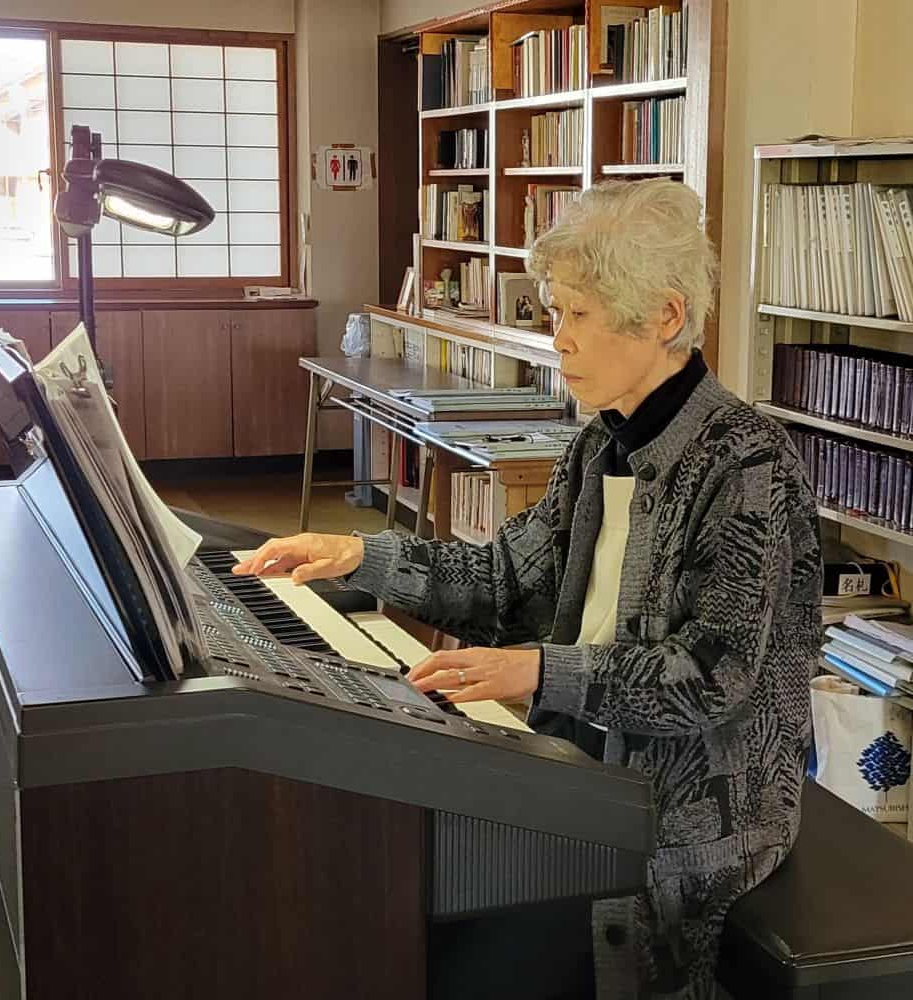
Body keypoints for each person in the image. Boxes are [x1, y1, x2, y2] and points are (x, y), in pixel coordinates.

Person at [236, 178, 823, 999]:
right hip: (584, 769)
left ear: (663, 316)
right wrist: (351, 556)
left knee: (463, 925)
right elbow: (500, 578)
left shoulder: (748, 465)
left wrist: (540, 672)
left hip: (694, 809)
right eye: (556, 313)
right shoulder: (600, 447)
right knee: (398, 873)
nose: (560, 340)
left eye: (578, 315)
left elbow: (711, 676)